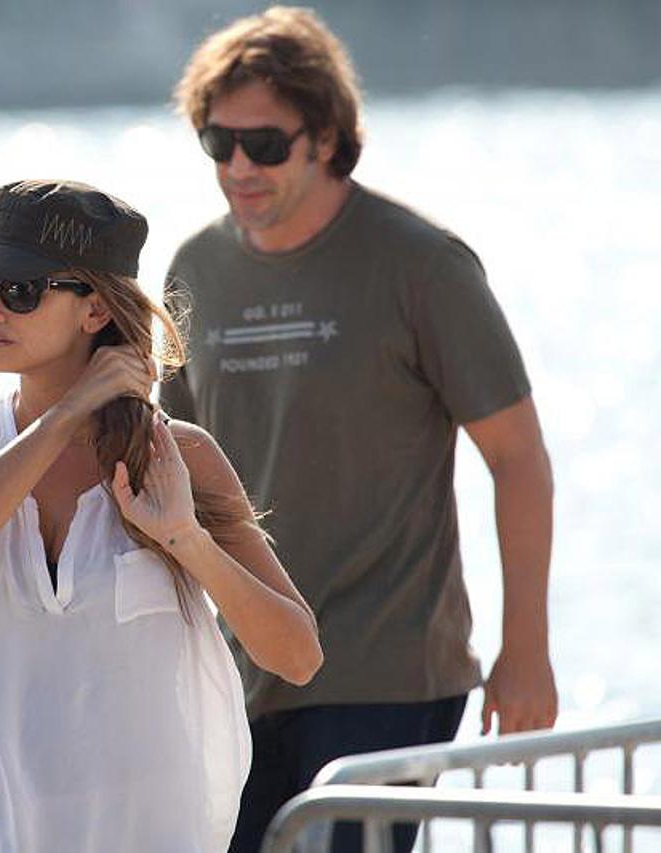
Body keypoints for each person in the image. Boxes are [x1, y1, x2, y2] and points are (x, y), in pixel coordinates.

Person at [164, 7, 557, 851]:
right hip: (241, 666)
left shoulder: (421, 264)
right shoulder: (194, 268)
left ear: (325, 137)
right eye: (218, 142)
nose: (239, 166)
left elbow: (517, 457)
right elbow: (172, 474)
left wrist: (524, 648)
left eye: (264, 144)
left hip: (388, 672)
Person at [0, 179, 321, 851]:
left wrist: (185, 538)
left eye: (21, 289)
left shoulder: (177, 455)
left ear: (95, 308)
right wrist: (68, 411)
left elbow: (295, 654)